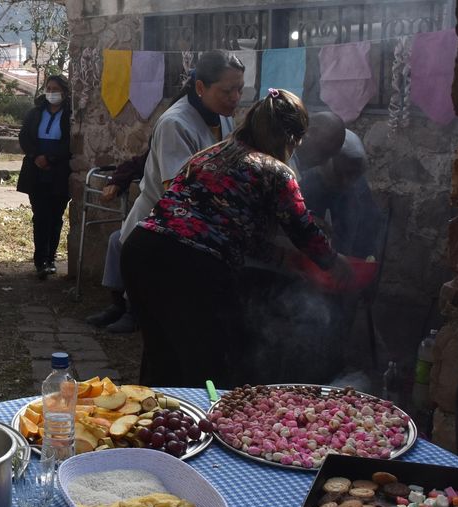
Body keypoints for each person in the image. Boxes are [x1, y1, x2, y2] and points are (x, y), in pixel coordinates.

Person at [120, 89, 354, 388]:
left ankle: (158, 426)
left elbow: (232, 225)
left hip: (141, 250)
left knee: (162, 359)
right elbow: (302, 228)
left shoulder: (211, 154)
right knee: (205, 367)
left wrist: (282, 258)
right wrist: (334, 262)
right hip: (190, 265)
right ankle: (202, 427)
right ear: (292, 138)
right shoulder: (276, 172)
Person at [88, 50, 244, 334]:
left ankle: (133, 311)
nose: (235, 97)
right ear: (200, 87)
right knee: (147, 281)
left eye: (239, 89)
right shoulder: (176, 124)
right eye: (227, 90)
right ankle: (130, 311)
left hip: (193, 218)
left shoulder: (224, 118)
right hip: (164, 215)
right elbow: (178, 189)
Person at [18, 75, 73, 279]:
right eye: (48, 88)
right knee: (40, 216)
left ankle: (51, 257)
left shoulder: (70, 115)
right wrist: (36, 156)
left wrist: (51, 158)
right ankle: (40, 258)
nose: (51, 92)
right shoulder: (35, 113)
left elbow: (70, 141)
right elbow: (24, 137)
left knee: (55, 217)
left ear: (64, 92)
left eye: (55, 88)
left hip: (58, 171)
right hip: (36, 171)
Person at [298, 130, 384, 258]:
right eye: (340, 174)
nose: (345, 181)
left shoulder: (357, 180)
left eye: (351, 175)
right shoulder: (310, 175)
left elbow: (367, 222)